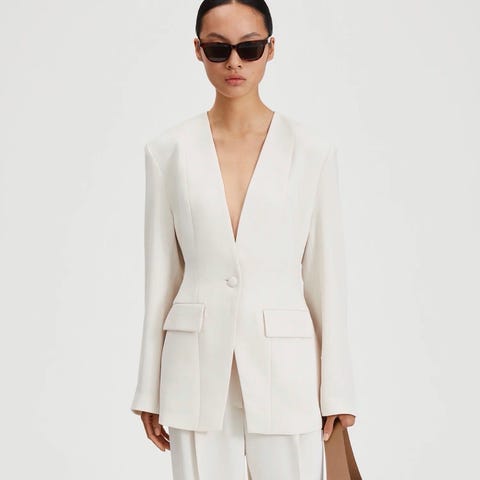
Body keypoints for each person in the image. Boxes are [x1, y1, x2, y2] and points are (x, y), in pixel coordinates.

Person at [130, 0, 357, 478]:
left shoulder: (311, 150)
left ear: (270, 49)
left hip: (288, 371)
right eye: (219, 49)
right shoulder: (167, 152)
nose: (234, 62)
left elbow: (326, 277)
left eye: (249, 48)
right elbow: (161, 278)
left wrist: (337, 390)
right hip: (193, 370)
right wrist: (149, 386)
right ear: (198, 50)